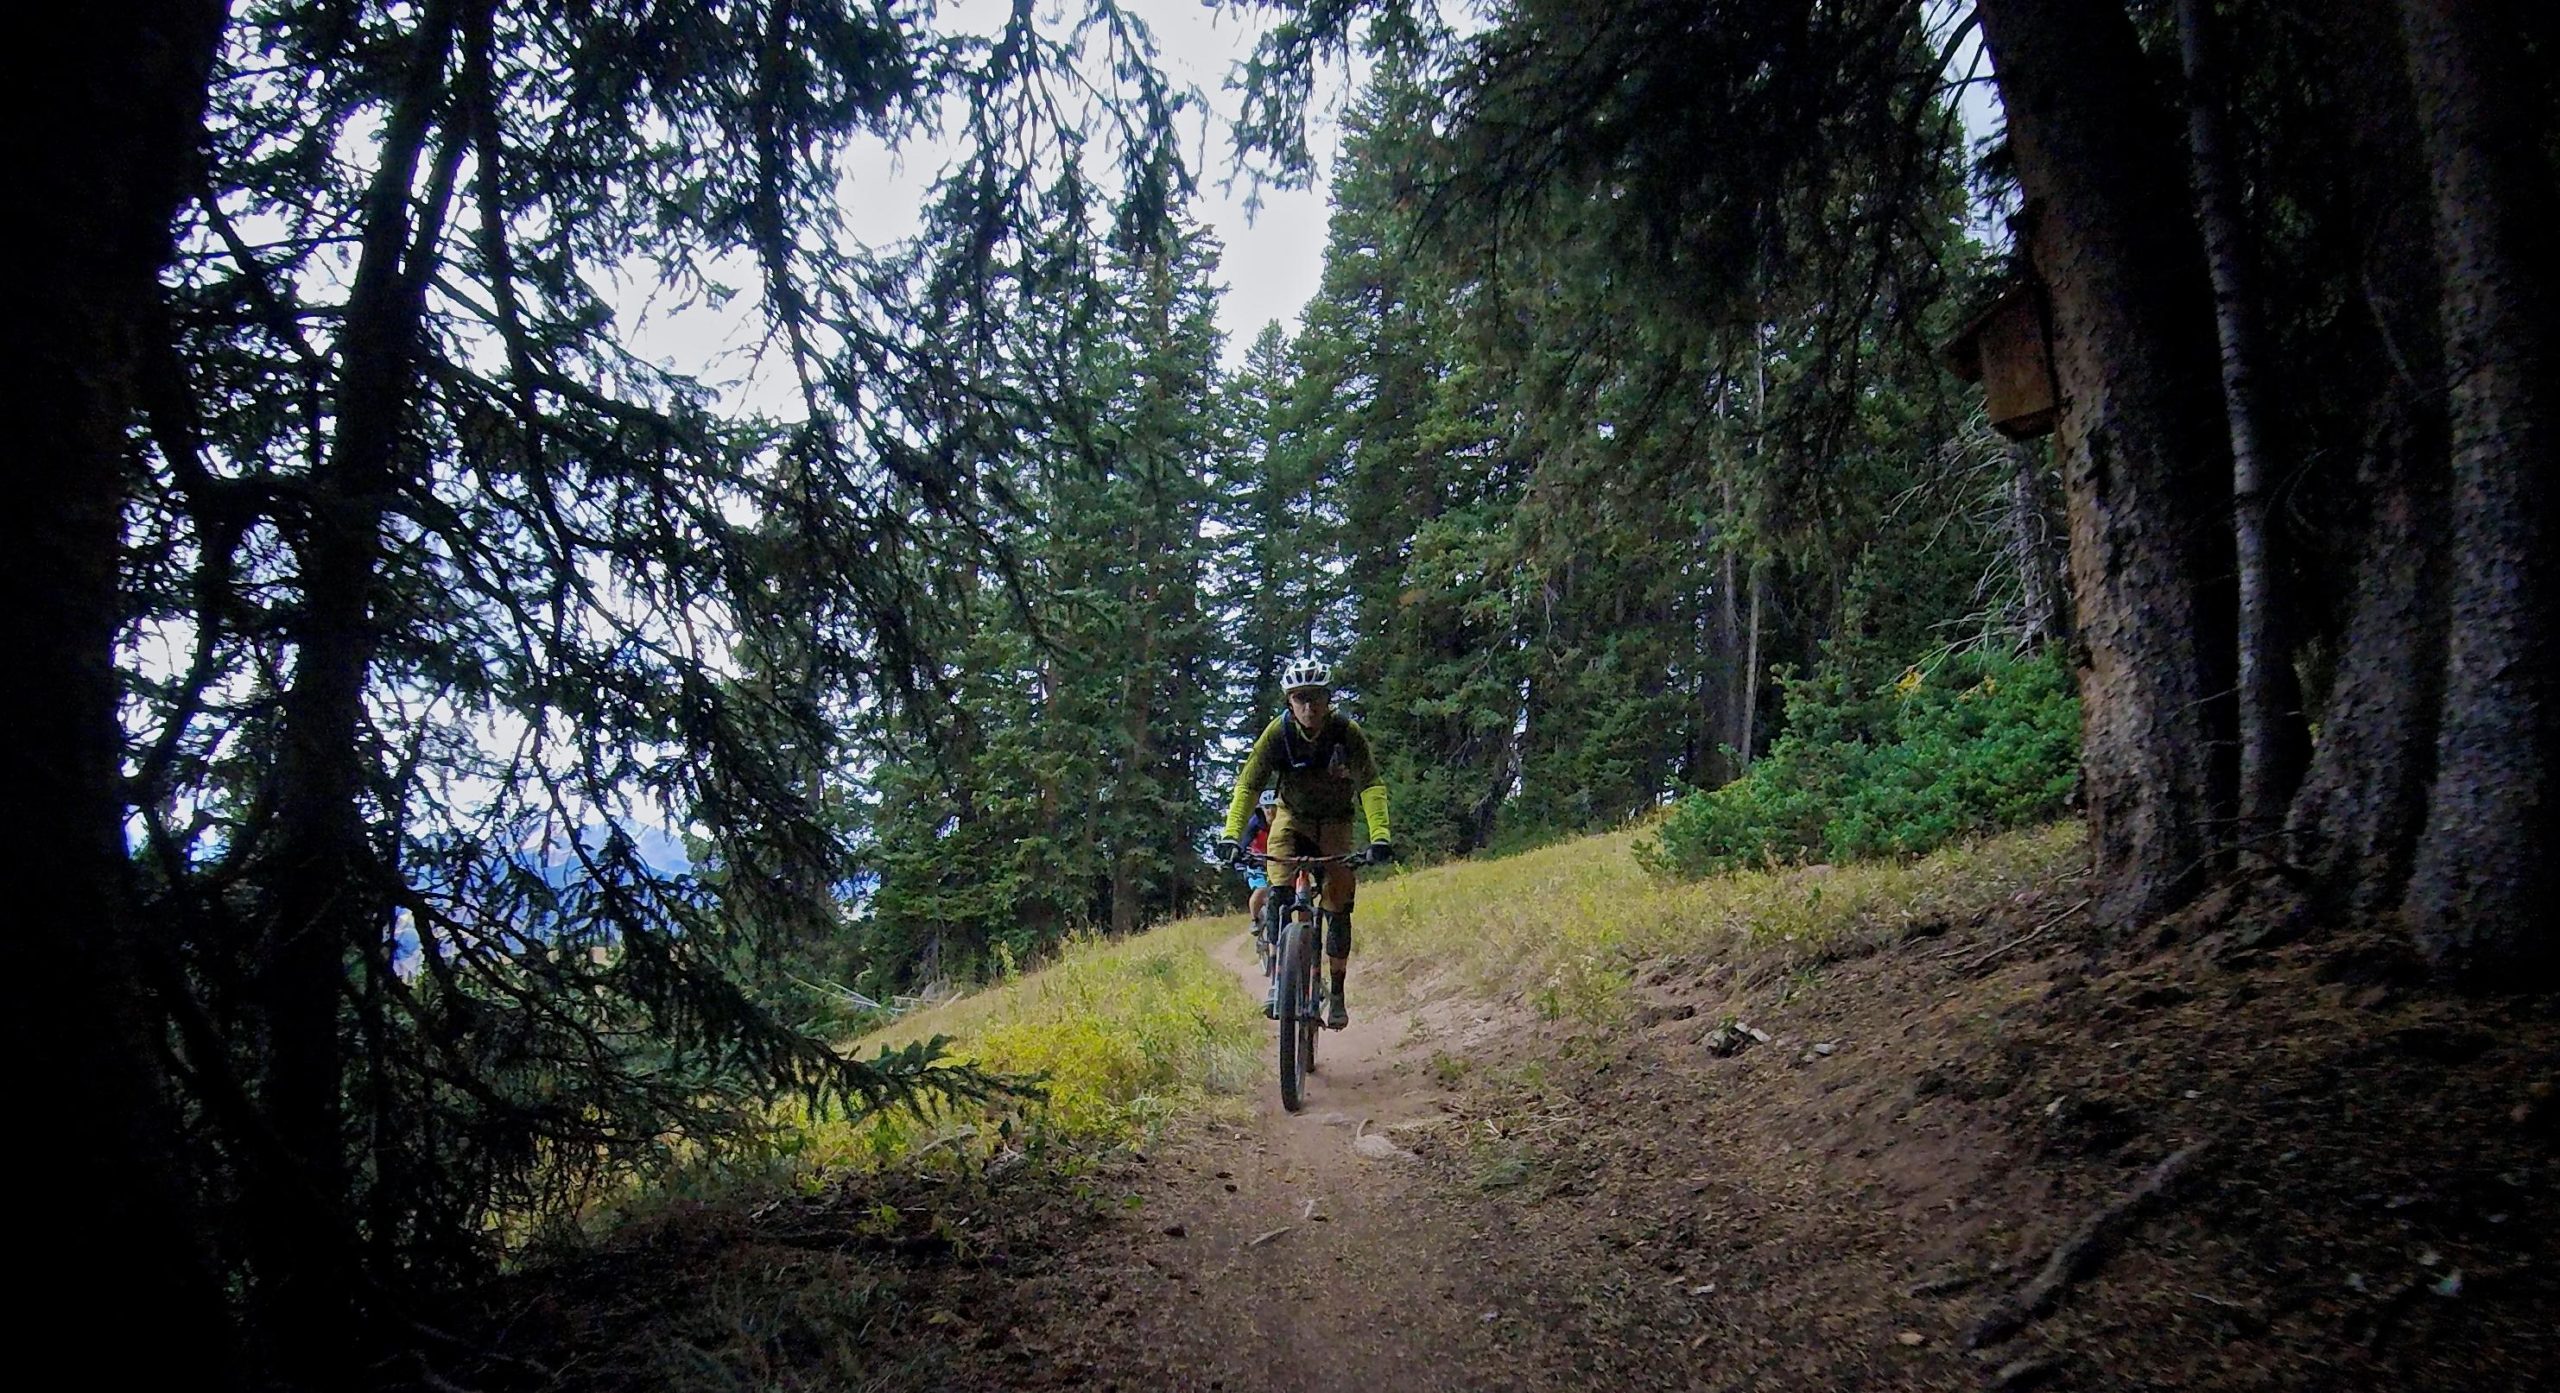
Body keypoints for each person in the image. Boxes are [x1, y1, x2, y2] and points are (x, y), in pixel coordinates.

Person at [1213, 658, 1393, 1028]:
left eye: (1316, 698)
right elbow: (1248, 785)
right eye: (1300, 699)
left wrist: (1380, 837)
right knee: (1278, 891)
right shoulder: (1277, 734)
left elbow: (1370, 785)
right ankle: (1280, 981)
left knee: (1339, 903)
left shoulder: (1346, 733)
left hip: (1336, 822)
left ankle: (1338, 993)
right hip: (1291, 818)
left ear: (1329, 700)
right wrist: (1231, 835)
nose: (1308, 707)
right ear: (1289, 702)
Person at [1243, 789, 1278, 934]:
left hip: (1277, 860)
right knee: (1261, 889)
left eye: (1273, 806)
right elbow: (1244, 843)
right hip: (1256, 862)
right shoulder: (1255, 823)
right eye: (1266, 807)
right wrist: (1241, 857)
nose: (1270, 810)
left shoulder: (1283, 822)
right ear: (1261, 808)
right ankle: (1255, 920)